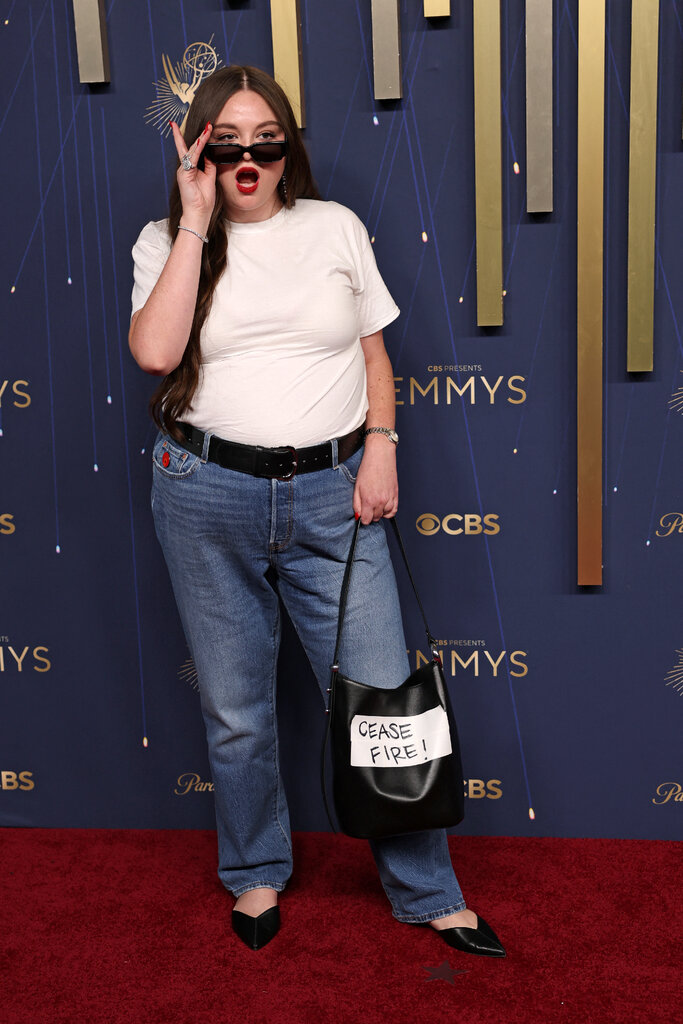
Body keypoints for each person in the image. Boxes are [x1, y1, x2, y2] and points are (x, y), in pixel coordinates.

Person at [129, 65, 504, 957]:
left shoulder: (332, 227)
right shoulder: (165, 238)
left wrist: (383, 444)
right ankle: (254, 873)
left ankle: (425, 893)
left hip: (335, 496)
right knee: (236, 709)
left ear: (288, 146)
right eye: (227, 140)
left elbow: (373, 349)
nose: (248, 155)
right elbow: (154, 352)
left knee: (380, 701)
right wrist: (193, 220)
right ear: (199, 147)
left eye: (265, 138)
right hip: (204, 495)